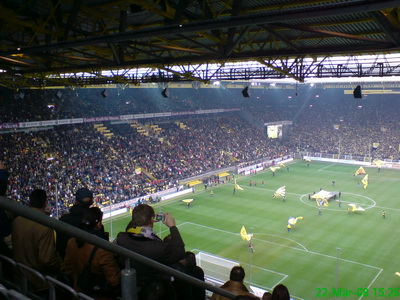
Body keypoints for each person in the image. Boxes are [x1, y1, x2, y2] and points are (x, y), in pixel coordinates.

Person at [115, 204, 185, 288]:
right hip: (153, 289)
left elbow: (129, 230)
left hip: (131, 285)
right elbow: (180, 251)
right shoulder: (159, 248)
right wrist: (172, 226)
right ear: (152, 219)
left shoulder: (121, 239)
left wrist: (144, 219)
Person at [12, 189, 60, 297]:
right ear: (45, 203)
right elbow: (47, 259)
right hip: (38, 282)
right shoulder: (44, 225)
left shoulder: (17, 220)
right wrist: (58, 268)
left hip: (20, 277)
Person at [64, 207, 120, 299]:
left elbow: (68, 268)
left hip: (79, 292)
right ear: (98, 224)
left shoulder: (72, 241)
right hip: (98, 295)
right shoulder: (102, 248)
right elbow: (114, 280)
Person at [56, 187, 96, 258]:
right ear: (91, 203)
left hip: (67, 262)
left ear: (75, 201)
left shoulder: (64, 219)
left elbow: (59, 246)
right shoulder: (94, 221)